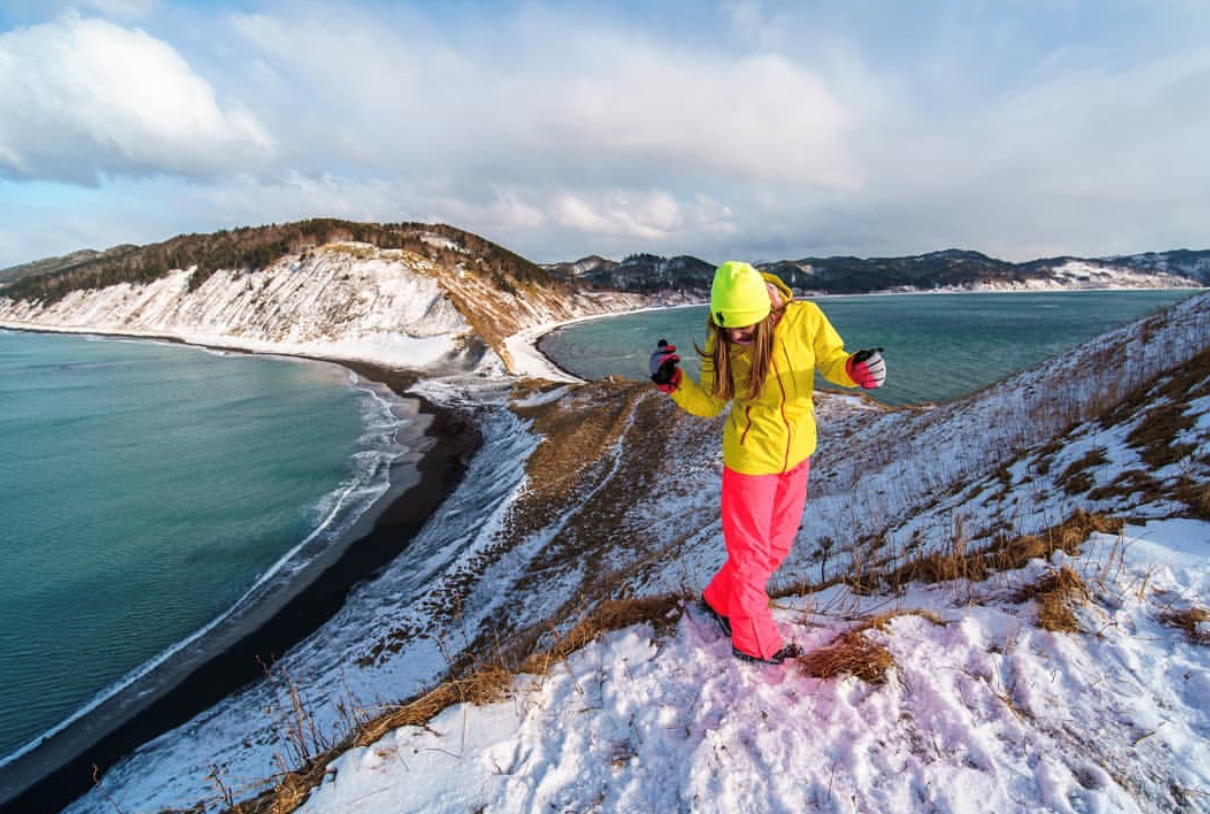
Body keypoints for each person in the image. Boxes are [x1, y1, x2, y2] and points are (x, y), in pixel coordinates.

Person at [650, 261, 886, 664]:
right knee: (749, 557)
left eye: (744, 329)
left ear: (766, 311)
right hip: (750, 459)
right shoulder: (723, 342)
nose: (736, 337)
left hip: (798, 452)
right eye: (728, 329)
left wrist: (855, 370)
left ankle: (717, 601)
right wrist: (673, 383)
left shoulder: (806, 318)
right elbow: (709, 403)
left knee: (775, 547)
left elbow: (832, 361)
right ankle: (754, 643)